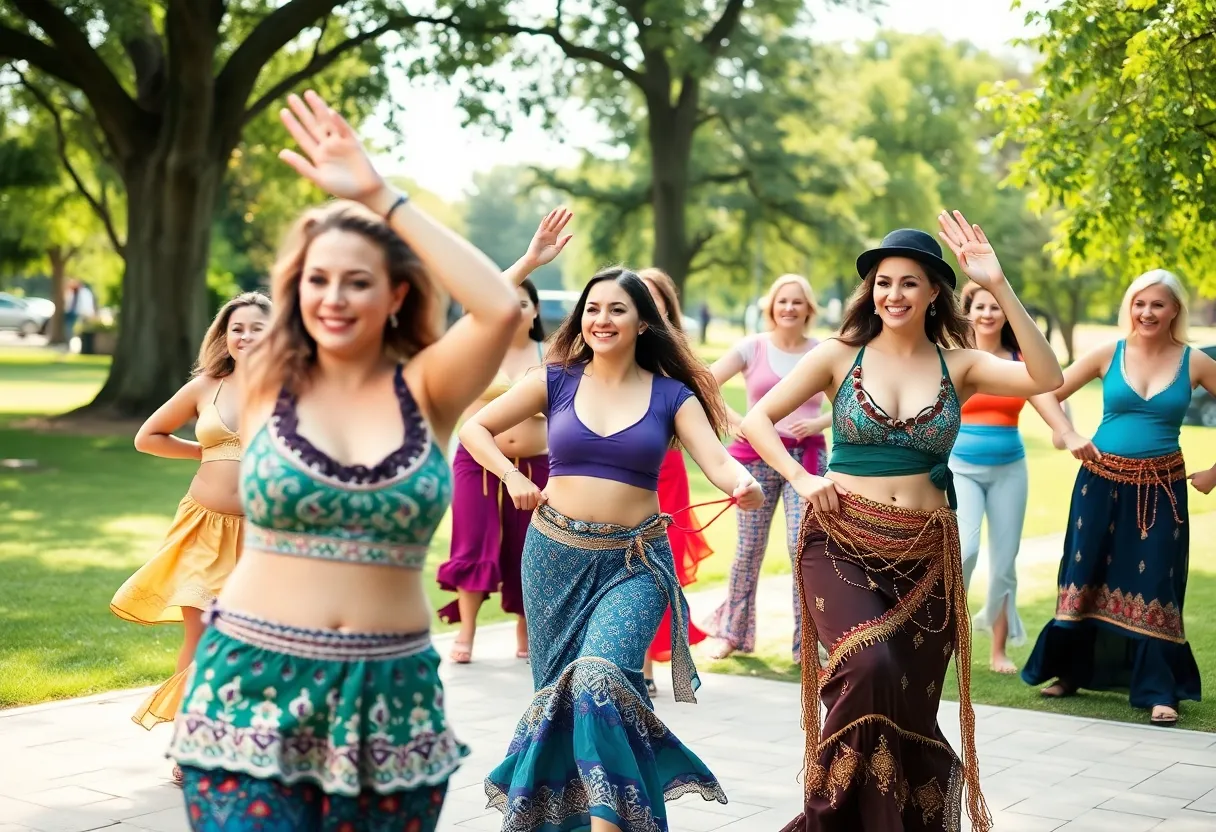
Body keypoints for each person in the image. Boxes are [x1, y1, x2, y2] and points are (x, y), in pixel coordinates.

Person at [166, 90, 519, 830]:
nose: (334, 296)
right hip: (250, 686)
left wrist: (378, 196)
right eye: (317, 280)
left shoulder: (428, 388)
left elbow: (499, 309)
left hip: (392, 701)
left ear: (395, 293)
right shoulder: (265, 377)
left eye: (357, 280)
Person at [741, 215, 1062, 832]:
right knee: (870, 667)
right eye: (884, 282)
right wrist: (805, 480)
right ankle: (824, 820)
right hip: (839, 541)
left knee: (910, 704)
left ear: (933, 292)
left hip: (925, 556)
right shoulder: (837, 355)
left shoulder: (961, 365)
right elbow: (757, 420)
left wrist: (998, 284)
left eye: (909, 283)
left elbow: (1047, 378)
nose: (894, 294)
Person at [460, 266, 765, 832]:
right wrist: (512, 475)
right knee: (559, 705)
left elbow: (717, 459)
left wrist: (739, 485)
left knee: (601, 680)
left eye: (618, 309)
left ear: (644, 322)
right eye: (593, 308)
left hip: (635, 563)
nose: (603, 319)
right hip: (554, 557)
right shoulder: (556, 380)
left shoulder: (672, 394)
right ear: (581, 319)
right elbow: (475, 428)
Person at [1022, 268, 1215, 726]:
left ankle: (1158, 689)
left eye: (1158, 304)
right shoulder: (1109, 353)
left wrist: (1215, 473)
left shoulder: (1197, 361)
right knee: (1084, 575)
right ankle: (1068, 672)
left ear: (1175, 311)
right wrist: (1067, 432)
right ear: (1129, 307)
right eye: (1139, 303)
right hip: (1099, 483)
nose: (1147, 312)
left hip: (1162, 491)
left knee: (1155, 586)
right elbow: (1041, 389)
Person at [111, 291, 270, 781]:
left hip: (266, 536)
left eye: (256, 327)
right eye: (236, 327)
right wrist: (207, 455)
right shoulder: (207, 387)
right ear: (224, 335)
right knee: (200, 638)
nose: (244, 336)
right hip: (202, 527)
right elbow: (148, 436)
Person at [437, 208, 573, 662]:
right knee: (472, 542)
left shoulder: (552, 352)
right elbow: (481, 297)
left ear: (535, 308)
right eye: (506, 298)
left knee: (525, 549)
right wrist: (531, 260)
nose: (514, 306)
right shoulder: (478, 347)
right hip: (477, 462)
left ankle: (523, 632)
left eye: (523, 300)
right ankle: (468, 633)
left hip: (536, 464)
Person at [706, 273, 828, 663]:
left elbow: (852, 399)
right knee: (749, 549)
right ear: (771, 308)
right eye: (782, 301)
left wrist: (818, 423)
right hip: (754, 460)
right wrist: (740, 422)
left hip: (804, 461)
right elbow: (704, 383)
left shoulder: (823, 351)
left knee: (801, 546)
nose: (789, 308)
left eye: (797, 301)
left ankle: (806, 645)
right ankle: (733, 634)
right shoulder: (752, 347)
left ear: (809, 308)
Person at [951, 280, 1062, 674]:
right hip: (960, 468)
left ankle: (998, 649)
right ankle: (950, 632)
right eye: (980, 307)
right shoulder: (956, 357)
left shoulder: (1018, 360)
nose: (987, 314)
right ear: (968, 310)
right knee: (964, 549)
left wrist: (1063, 429)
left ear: (1005, 314)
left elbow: (1046, 395)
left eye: (995, 307)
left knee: (1004, 564)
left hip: (1009, 471)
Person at [637, 267, 714, 696]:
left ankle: (646, 665)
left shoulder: (676, 360)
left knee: (657, 567)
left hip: (666, 474)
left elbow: (703, 414)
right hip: (626, 476)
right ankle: (634, 662)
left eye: (651, 297)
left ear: (665, 305)